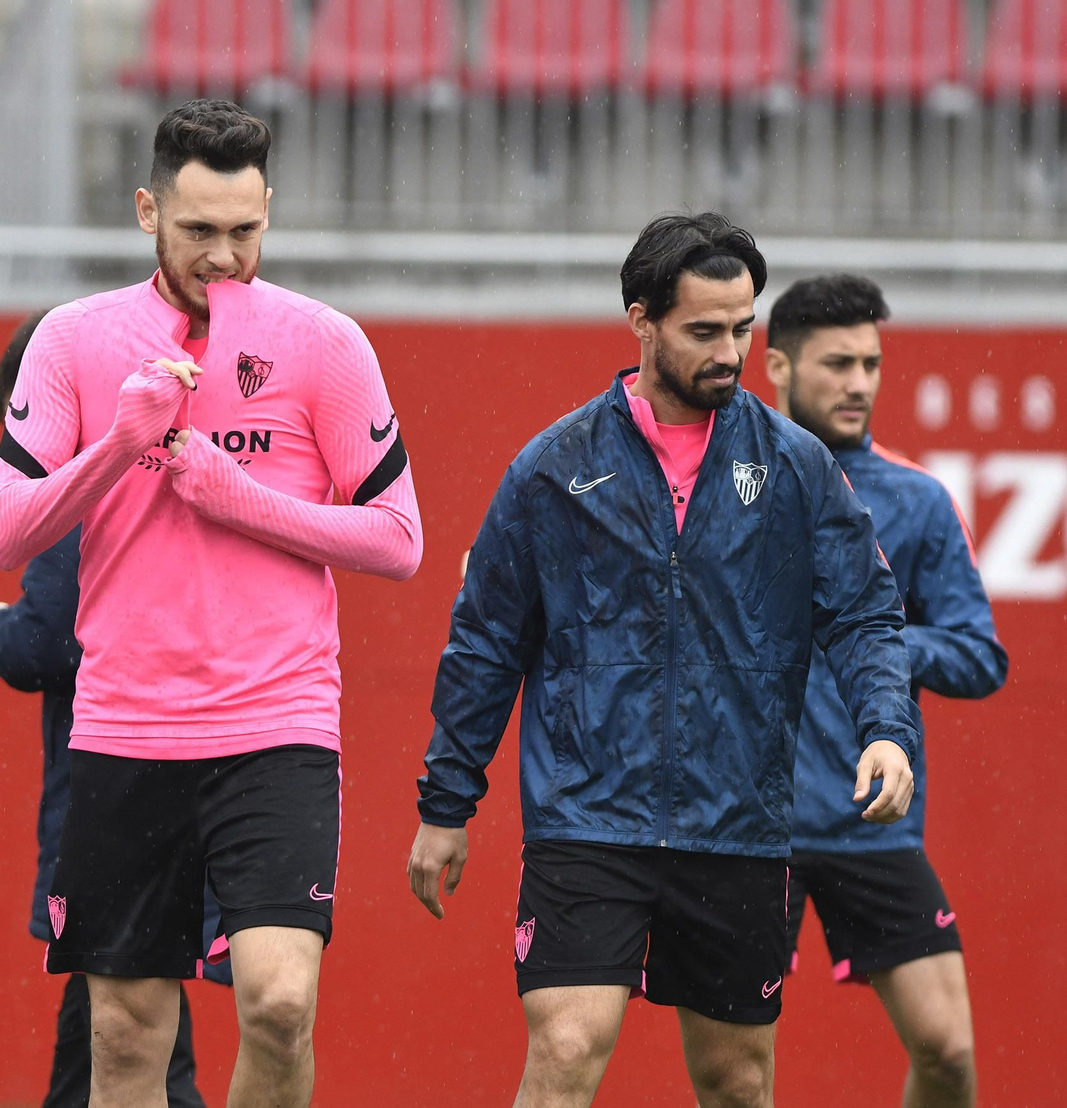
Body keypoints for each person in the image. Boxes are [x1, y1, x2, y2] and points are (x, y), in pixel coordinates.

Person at [407, 212, 921, 1108]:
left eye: (742, 328)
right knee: (567, 1046)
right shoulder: (553, 468)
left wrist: (886, 730)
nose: (730, 351)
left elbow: (866, 614)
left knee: (736, 1079)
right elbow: (486, 639)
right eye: (704, 331)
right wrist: (446, 804)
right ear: (641, 321)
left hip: (740, 824)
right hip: (585, 820)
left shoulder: (797, 467)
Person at [0, 98, 422, 1108]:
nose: (223, 256)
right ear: (147, 210)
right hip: (124, 728)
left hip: (277, 724)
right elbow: (7, 532)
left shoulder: (325, 342)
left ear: (268, 210)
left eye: (245, 230)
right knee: (127, 1034)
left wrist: (244, 499)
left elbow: (399, 539)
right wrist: (119, 445)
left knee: (276, 1003)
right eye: (197, 231)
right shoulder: (72, 338)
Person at [0, 312, 227, 1108]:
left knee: (128, 1033)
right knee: (118, 1031)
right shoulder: (180, 463)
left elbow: (50, 642)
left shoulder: (76, 484)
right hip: (207, 778)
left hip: (116, 796)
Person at [766, 274, 1006, 1108]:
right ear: (776, 369)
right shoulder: (724, 482)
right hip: (744, 824)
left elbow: (981, 657)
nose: (860, 382)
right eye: (837, 363)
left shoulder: (917, 500)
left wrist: (881, 641)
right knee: (733, 1073)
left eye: (871, 362)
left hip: (870, 818)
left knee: (947, 1050)